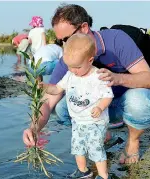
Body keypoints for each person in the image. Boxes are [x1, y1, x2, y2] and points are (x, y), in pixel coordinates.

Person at [23, 4, 150, 167]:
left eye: (66, 39)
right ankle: (103, 134)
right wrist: (34, 128)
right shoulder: (70, 56)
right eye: (60, 41)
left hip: (124, 104)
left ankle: (133, 141)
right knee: (61, 107)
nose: (64, 46)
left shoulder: (116, 40)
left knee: (139, 101)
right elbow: (49, 100)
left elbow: (149, 79)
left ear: (84, 27)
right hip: (97, 109)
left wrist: (117, 78)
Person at [42, 34, 113, 179]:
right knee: (77, 149)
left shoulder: (98, 76)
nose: (73, 70)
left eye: (77, 67)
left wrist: (100, 107)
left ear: (90, 60)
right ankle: (83, 171)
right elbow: (57, 89)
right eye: (70, 66)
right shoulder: (70, 75)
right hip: (77, 121)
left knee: (96, 150)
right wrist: (44, 87)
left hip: (95, 122)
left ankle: (104, 175)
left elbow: (107, 96)